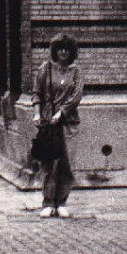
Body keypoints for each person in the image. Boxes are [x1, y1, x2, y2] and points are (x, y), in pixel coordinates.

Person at [32, 32, 84, 218]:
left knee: (66, 163)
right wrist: (37, 112)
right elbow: (36, 93)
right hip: (48, 123)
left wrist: (61, 112)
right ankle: (47, 202)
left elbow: (76, 96)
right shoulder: (45, 69)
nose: (63, 52)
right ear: (55, 51)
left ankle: (61, 202)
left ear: (71, 52)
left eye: (66, 49)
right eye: (60, 49)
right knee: (48, 163)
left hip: (68, 123)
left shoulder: (76, 72)